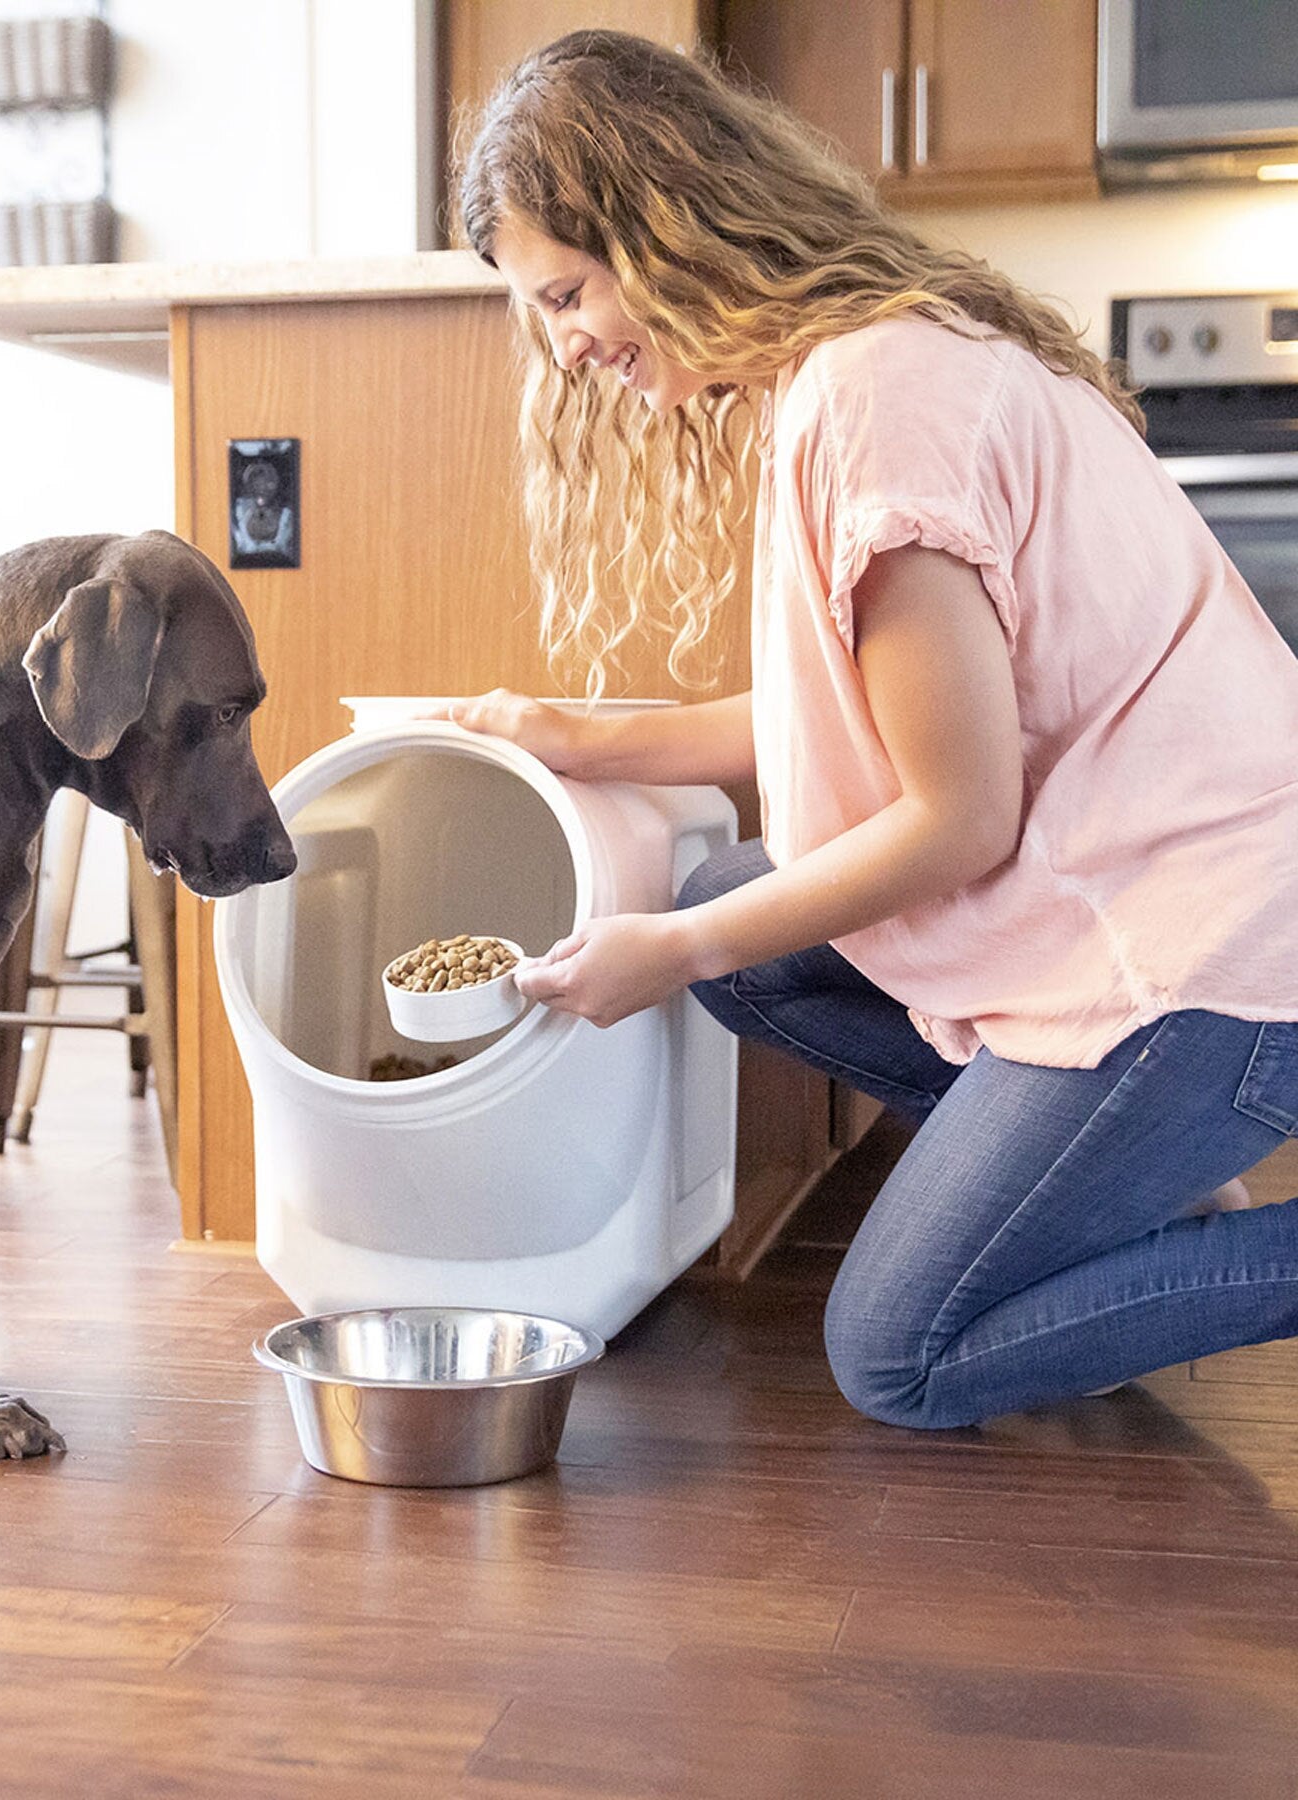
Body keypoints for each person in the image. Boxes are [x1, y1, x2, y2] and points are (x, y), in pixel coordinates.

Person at [443, 29, 1298, 1430]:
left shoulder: (873, 399)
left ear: (662, 221)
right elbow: (853, 718)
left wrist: (667, 954)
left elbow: (960, 819)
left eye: (568, 292)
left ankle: (1119, 1172)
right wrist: (579, 740)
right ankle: (1112, 1176)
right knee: (731, 903)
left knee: (901, 1354)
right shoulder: (860, 363)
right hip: (1142, 889)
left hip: (1203, 951)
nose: (571, 347)